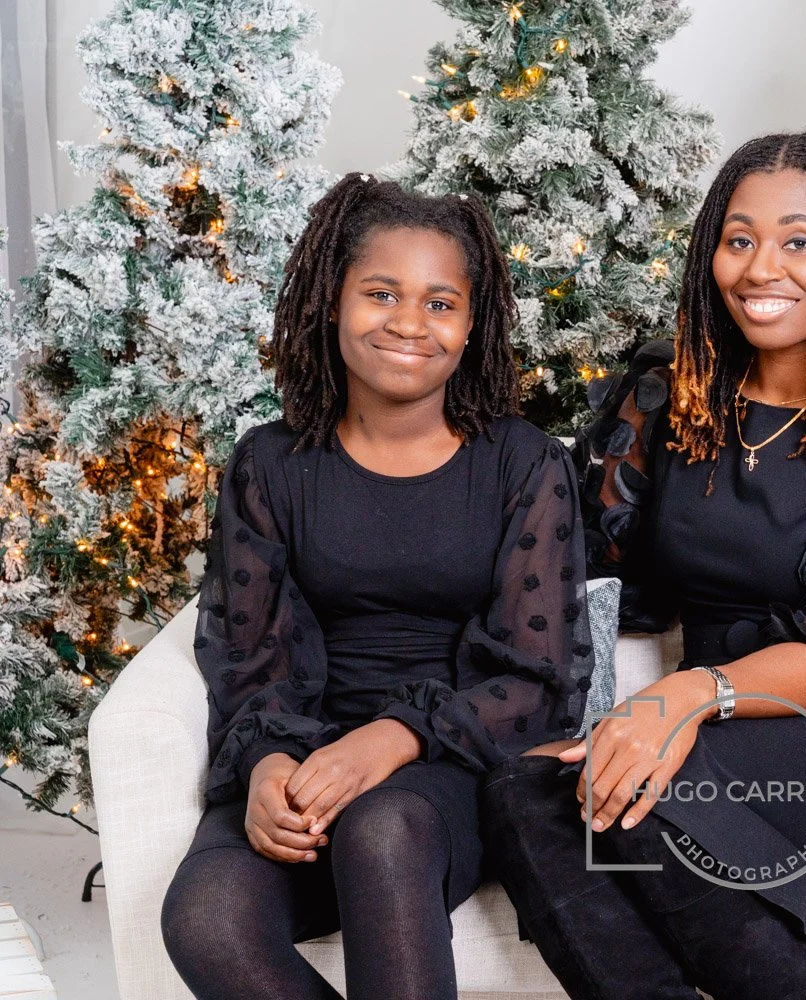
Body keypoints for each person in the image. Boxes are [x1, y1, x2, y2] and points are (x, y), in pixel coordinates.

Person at [482, 132, 806, 1000]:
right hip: (712, 733)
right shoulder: (665, 396)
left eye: (798, 241)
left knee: (647, 783)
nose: (762, 268)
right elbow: (585, 572)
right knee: (524, 788)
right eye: (739, 239)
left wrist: (685, 696)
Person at [159, 174, 593, 1000]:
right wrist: (268, 765)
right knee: (209, 916)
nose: (408, 323)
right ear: (333, 302)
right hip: (309, 756)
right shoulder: (269, 463)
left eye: (440, 303)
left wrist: (389, 740)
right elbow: (246, 657)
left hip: (452, 766)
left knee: (382, 828)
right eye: (382, 293)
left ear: (473, 324)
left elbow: (539, 680)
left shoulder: (526, 464)